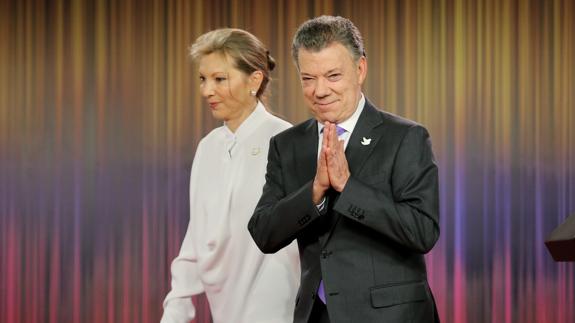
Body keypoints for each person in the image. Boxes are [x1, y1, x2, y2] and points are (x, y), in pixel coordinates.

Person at [248, 16, 440, 323]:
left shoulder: (405, 137)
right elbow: (263, 232)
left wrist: (348, 186)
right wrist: (314, 192)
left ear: (360, 69)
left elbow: (423, 231)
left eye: (333, 75)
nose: (320, 90)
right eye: (308, 78)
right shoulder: (287, 145)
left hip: (392, 316)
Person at [162, 28, 299, 323]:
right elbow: (197, 239)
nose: (206, 90)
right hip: (224, 311)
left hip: (280, 310)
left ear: (255, 79)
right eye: (203, 79)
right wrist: (175, 313)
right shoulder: (208, 148)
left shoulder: (286, 140)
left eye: (219, 79)